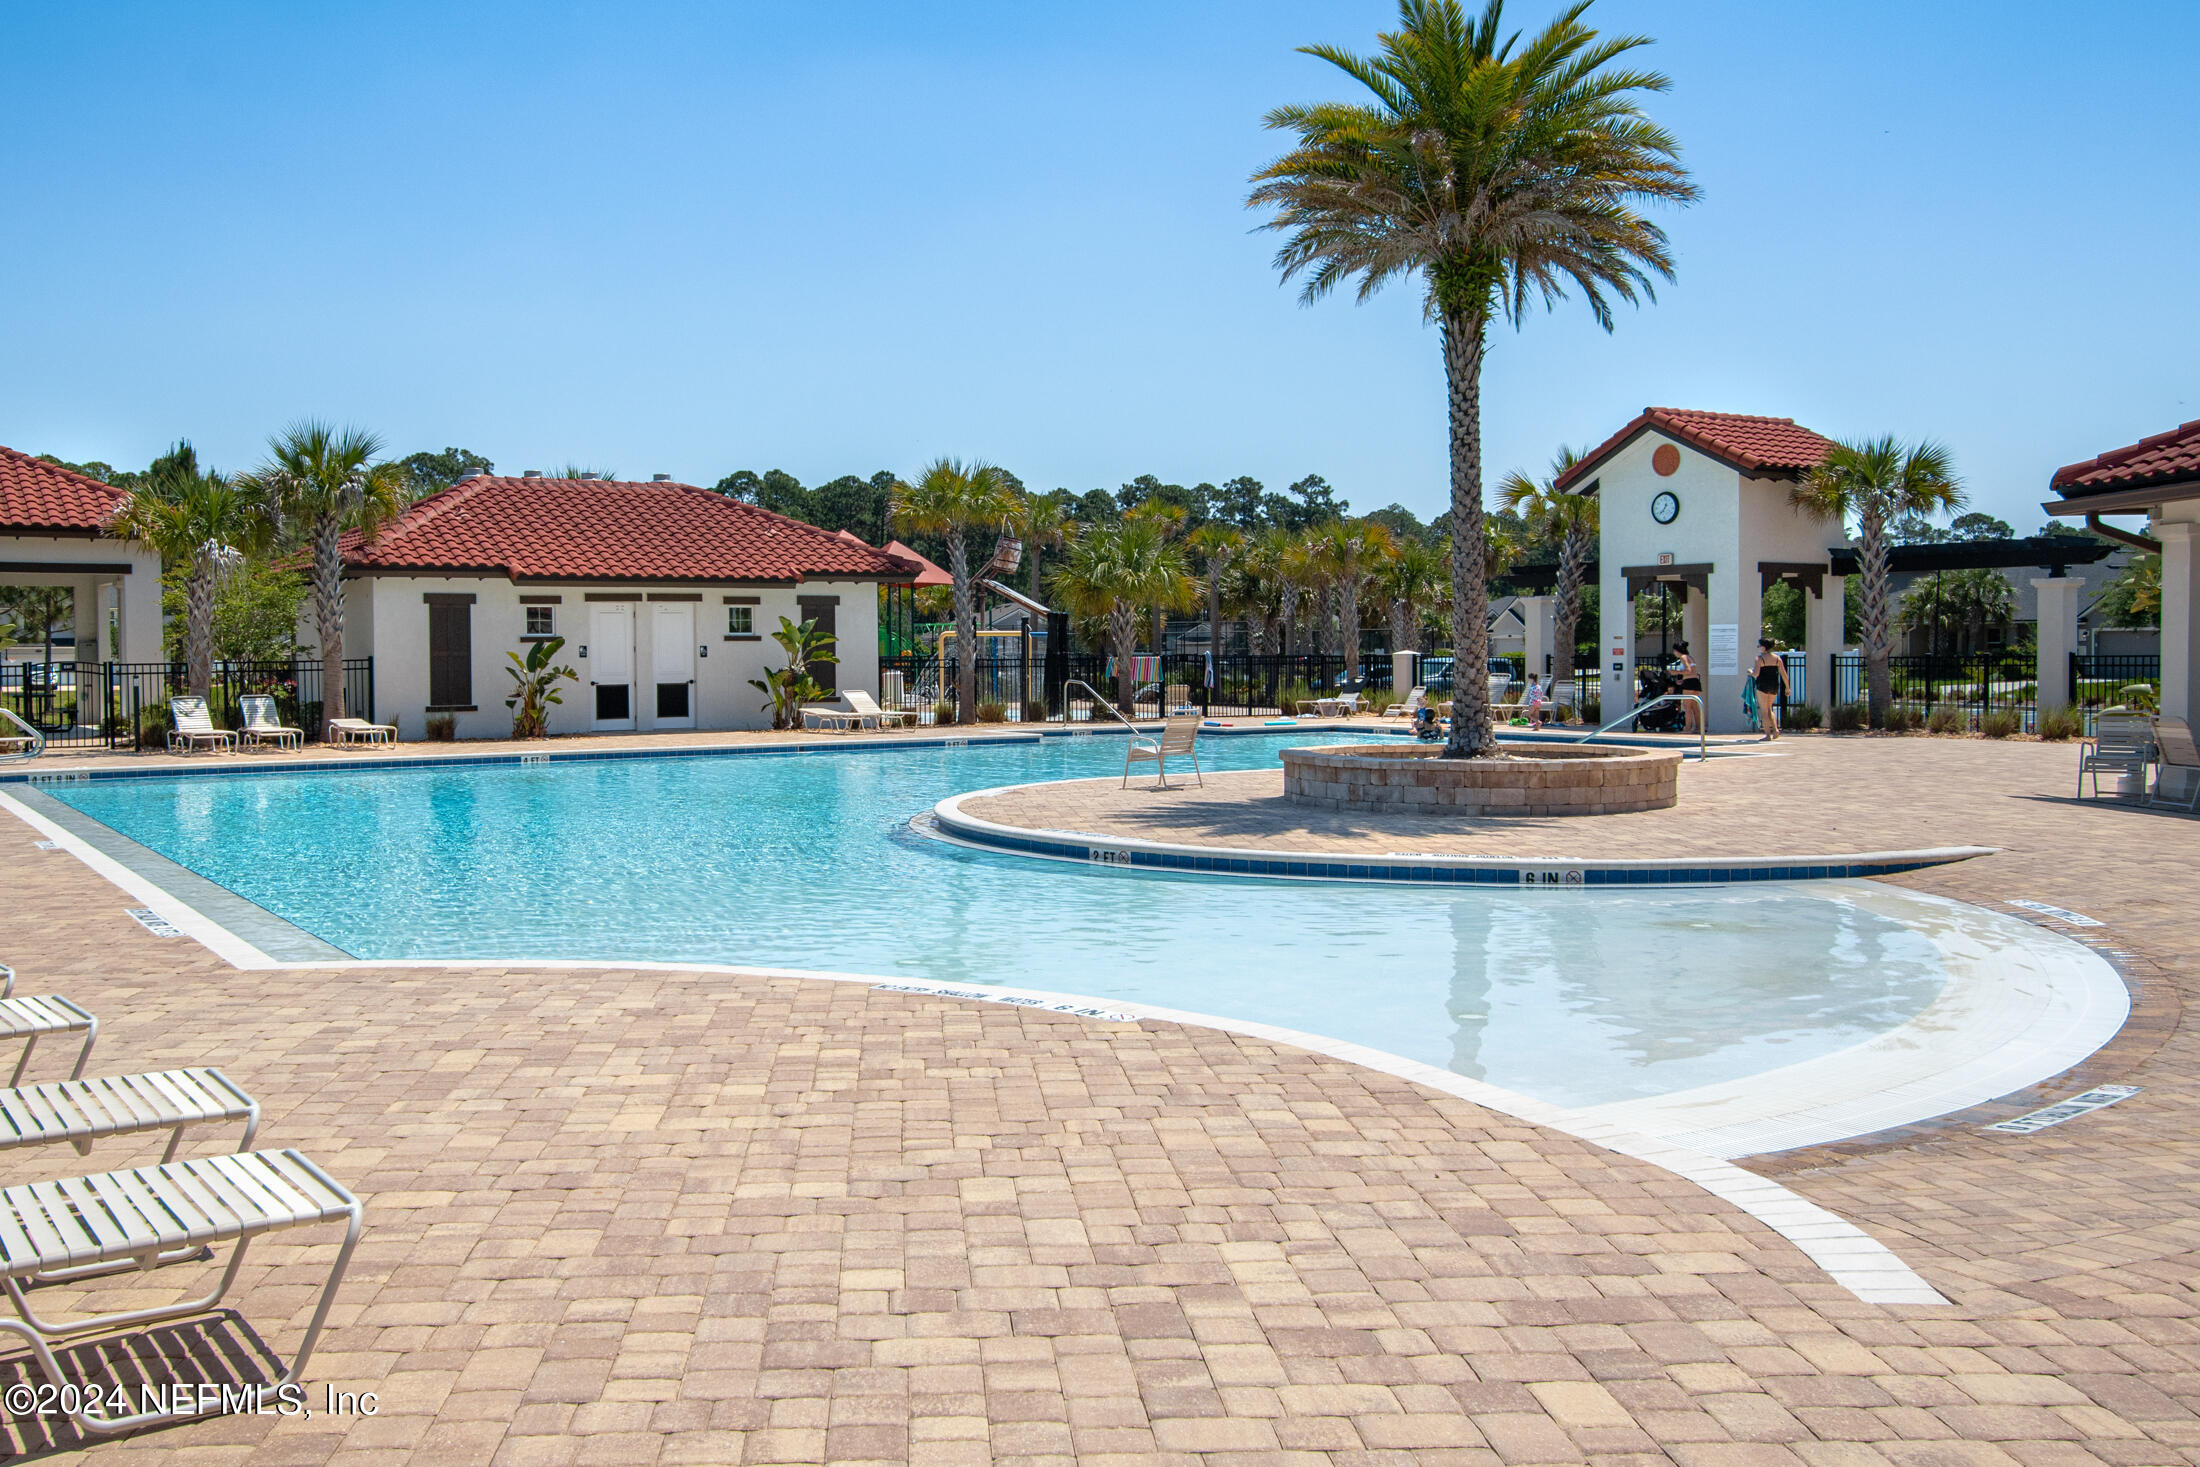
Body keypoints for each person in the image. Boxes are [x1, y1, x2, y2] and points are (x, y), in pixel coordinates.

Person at [1752, 638, 1792, 741]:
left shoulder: (1760, 659)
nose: (1758, 648)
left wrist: (1750, 672)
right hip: (1774, 685)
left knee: (1764, 711)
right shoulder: (1777, 659)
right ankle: (1775, 730)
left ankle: (1767, 735)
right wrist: (1787, 687)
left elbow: (1756, 674)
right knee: (1769, 708)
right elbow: (1784, 674)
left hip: (1762, 685)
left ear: (1764, 647)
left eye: (1759, 646)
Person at [1670, 641, 1701, 734]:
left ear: (1677, 650)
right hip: (1695, 681)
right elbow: (1693, 672)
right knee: (1694, 707)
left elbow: (1688, 670)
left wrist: (1675, 672)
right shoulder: (1690, 657)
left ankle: (1687, 728)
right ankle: (1698, 728)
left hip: (1689, 683)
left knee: (1687, 706)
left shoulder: (1683, 657)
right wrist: (1683, 680)